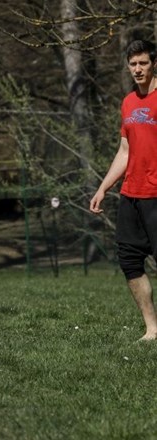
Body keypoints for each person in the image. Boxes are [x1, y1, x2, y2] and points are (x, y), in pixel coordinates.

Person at [90, 39, 157, 341]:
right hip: (131, 195)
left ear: (153, 63)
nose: (138, 69)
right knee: (129, 260)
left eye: (143, 63)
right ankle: (152, 328)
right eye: (133, 64)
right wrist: (104, 187)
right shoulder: (129, 102)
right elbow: (125, 150)